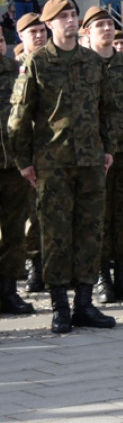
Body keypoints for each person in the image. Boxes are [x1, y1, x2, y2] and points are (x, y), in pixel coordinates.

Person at [7, 0, 116, 334]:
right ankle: (60, 307)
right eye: (63, 17)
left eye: (73, 15)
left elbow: (107, 109)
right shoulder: (37, 63)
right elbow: (19, 118)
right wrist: (24, 161)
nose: (71, 21)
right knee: (55, 235)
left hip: (91, 162)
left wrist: (108, 148)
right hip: (52, 164)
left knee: (89, 231)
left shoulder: (91, 61)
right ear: (50, 25)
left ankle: (84, 303)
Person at [82, 6, 123, 304]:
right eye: (100, 26)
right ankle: (102, 279)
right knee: (99, 218)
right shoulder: (83, 66)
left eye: (109, 24)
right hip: (94, 154)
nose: (107, 30)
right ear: (88, 32)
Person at [0, 33, 35, 315]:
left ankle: (9, 291)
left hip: (13, 165)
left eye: (0, 38)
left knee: (14, 232)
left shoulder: (16, 72)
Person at [14, 12, 48, 294]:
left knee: (48, 215)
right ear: (21, 37)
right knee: (28, 217)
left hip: (51, 154)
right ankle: (34, 270)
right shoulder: (13, 70)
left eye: (41, 31)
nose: (38, 36)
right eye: (32, 32)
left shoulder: (50, 65)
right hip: (22, 156)